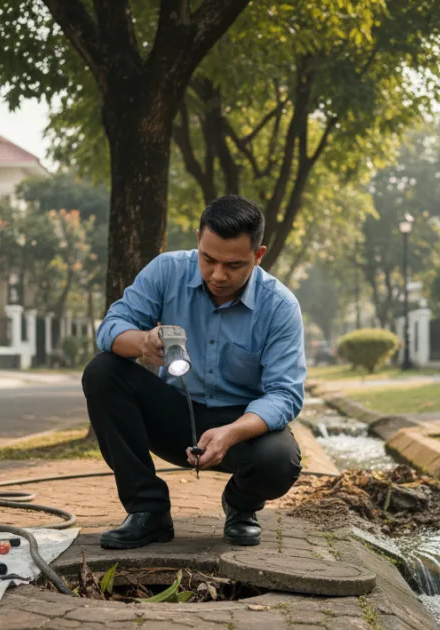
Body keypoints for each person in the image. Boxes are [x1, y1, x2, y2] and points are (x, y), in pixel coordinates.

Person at [82, 195, 307, 549]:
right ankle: (148, 510)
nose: (218, 275)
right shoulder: (165, 271)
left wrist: (231, 433)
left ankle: (241, 505)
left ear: (258, 255)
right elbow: (110, 328)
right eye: (208, 259)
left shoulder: (279, 306)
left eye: (234, 265)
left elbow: (285, 393)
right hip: (174, 414)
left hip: (240, 425)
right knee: (102, 371)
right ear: (198, 238)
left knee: (281, 460)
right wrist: (142, 341)